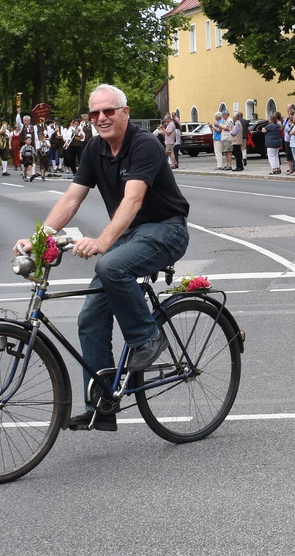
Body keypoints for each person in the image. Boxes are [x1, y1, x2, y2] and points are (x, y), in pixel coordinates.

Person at [22, 85, 191, 431]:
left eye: (109, 111)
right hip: (131, 235)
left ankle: (147, 336)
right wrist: (39, 238)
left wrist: (102, 241)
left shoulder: (144, 145)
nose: (101, 118)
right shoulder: (94, 150)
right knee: (89, 317)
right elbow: (71, 200)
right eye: (95, 113)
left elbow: (133, 200)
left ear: (125, 112)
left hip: (165, 230)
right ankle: (101, 405)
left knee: (110, 264)